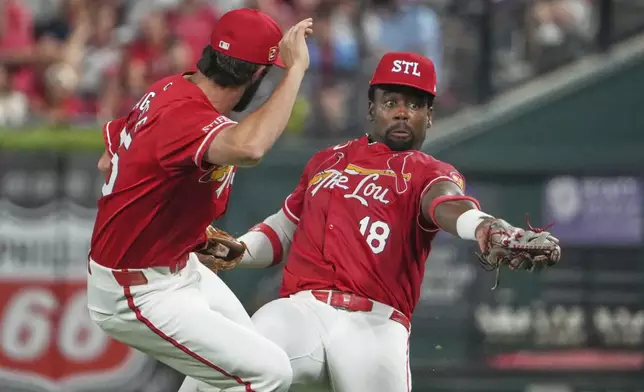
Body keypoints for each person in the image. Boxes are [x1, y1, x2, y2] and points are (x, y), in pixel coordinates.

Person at [197, 51, 560, 392]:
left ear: (429, 116)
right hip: (301, 310)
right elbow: (285, 228)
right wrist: (240, 249)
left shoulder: (428, 172)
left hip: (373, 326)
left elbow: (450, 204)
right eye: (391, 102)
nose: (402, 113)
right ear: (372, 108)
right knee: (226, 367)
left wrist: (484, 227)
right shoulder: (326, 160)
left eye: (415, 105)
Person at [86, 8, 313, 392]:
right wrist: (295, 72)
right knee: (270, 372)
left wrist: (184, 230)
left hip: (176, 266)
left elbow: (108, 161)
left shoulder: (172, 87)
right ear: (258, 75)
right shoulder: (183, 114)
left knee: (247, 363)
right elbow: (251, 146)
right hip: (138, 291)